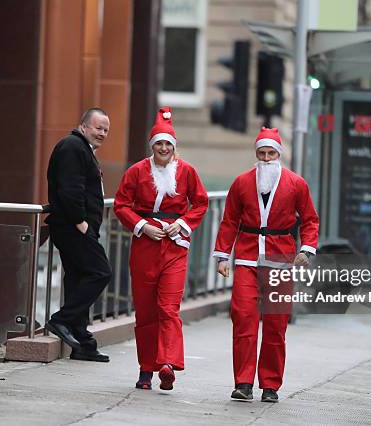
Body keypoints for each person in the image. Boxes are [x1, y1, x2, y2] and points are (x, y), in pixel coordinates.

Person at [213, 127, 319, 403]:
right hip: (247, 258)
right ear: (256, 154)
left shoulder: (296, 184)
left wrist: (306, 249)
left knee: (275, 324)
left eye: (272, 153)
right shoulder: (241, 182)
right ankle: (244, 383)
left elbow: (310, 219)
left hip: (280, 261)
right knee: (244, 317)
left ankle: (270, 384)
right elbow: (229, 220)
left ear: (279, 154)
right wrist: (222, 256)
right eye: (262, 153)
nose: (267, 158)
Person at [113, 106, 208, 391]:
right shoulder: (136, 172)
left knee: (169, 307)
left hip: (175, 247)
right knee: (145, 311)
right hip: (145, 246)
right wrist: (142, 226)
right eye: (159, 144)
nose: (164, 148)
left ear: (174, 147)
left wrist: (182, 224)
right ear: (152, 146)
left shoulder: (187, 171)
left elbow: (200, 203)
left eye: (168, 143)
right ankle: (145, 369)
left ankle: (167, 363)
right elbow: (121, 205)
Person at [45, 108, 113, 362]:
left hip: (77, 227)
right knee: (100, 272)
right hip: (73, 227)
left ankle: (82, 341)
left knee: (78, 278)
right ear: (83, 126)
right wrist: (80, 221)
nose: (103, 133)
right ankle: (61, 320)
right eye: (98, 128)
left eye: (106, 129)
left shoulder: (81, 149)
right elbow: (69, 187)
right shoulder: (73, 146)